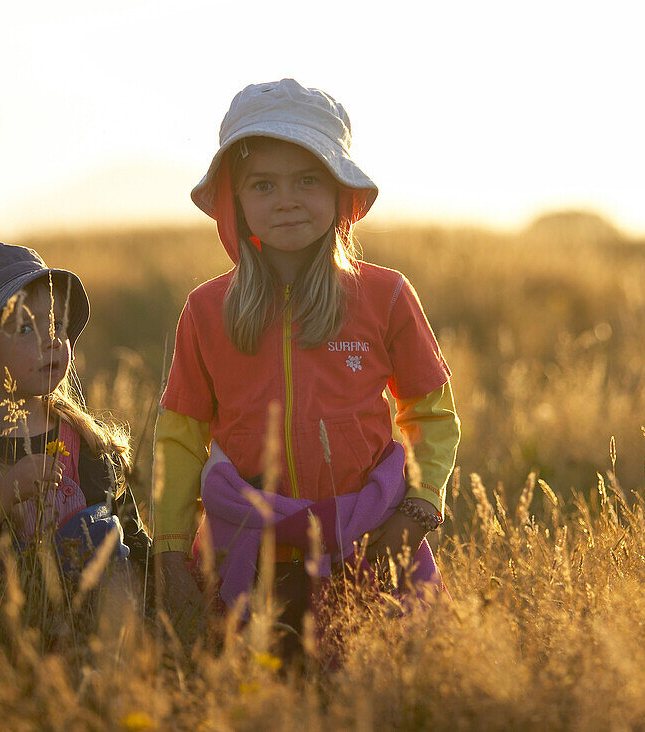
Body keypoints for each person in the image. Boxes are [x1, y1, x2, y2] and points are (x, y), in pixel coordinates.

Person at [152, 79, 460, 651]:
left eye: (308, 179)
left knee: (381, 693)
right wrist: (170, 545)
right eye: (263, 184)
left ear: (342, 192)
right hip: (246, 558)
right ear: (234, 200)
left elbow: (432, 413)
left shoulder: (385, 296)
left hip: (369, 545)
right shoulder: (205, 311)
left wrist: (416, 511)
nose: (286, 199)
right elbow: (181, 436)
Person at [0, 241, 152, 589]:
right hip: (2, 637)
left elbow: (133, 540)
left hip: (101, 633)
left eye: (55, 321)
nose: (52, 339)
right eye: (25, 328)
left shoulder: (85, 441)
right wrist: (4, 494)